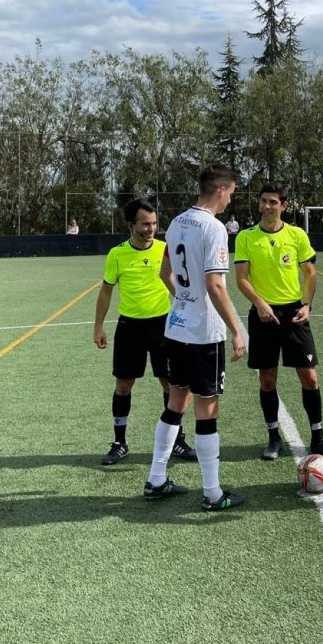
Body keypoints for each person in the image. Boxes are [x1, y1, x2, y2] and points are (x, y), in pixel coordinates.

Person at [144, 165, 248, 511]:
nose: (231, 198)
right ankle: (213, 492)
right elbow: (215, 284)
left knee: (176, 403)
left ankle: (156, 479)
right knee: (206, 410)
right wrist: (236, 329)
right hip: (204, 334)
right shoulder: (214, 228)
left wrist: (183, 301)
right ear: (221, 190)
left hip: (176, 328)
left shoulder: (175, 223)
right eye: (231, 192)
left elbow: (164, 273)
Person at [234, 183, 323, 463]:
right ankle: (273, 437)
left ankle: (319, 438)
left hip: (294, 314)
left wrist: (307, 305)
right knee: (268, 379)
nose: (267, 206)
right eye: (263, 201)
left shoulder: (296, 235)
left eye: (273, 202)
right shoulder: (246, 237)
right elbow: (242, 278)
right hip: (262, 315)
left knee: (309, 376)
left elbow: (310, 273)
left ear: (284, 205)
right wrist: (260, 303)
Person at [93, 199, 196, 465]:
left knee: (171, 384)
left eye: (153, 223)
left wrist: (189, 307)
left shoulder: (166, 249)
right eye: (145, 224)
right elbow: (106, 291)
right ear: (130, 225)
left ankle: (178, 440)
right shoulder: (117, 255)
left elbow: (179, 284)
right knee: (123, 385)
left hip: (164, 326)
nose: (151, 229)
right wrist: (98, 327)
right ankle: (119, 442)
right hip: (130, 328)